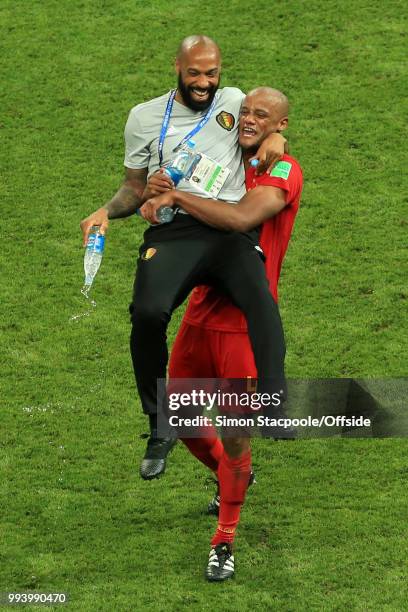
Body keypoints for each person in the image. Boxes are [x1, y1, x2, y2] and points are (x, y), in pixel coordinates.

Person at [80, 35, 287, 481]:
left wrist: (279, 140)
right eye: (194, 73)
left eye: (211, 73)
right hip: (173, 231)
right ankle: (160, 424)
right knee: (148, 313)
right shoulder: (144, 117)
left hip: (227, 225)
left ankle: (273, 401)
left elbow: (264, 124)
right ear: (177, 66)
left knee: (260, 299)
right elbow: (134, 189)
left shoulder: (234, 100)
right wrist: (106, 211)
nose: (204, 82)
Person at [141, 87, 303, 581]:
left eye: (264, 116)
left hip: (240, 330)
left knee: (235, 436)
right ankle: (234, 479)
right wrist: (160, 185)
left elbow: (239, 219)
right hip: (198, 316)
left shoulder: (284, 170)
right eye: (246, 112)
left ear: (281, 124)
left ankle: (225, 540)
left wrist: (178, 196)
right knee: (184, 420)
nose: (250, 120)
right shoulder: (222, 153)